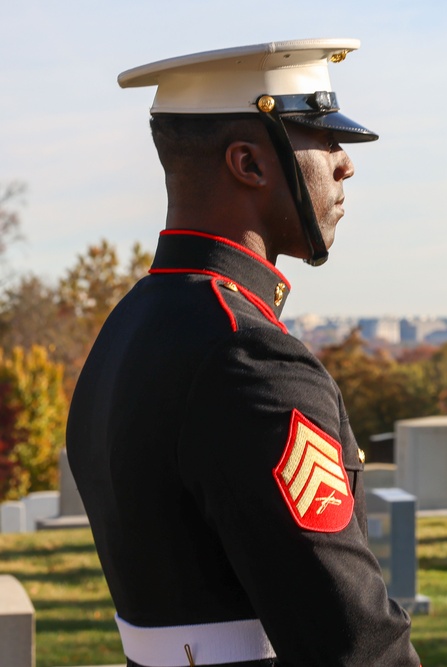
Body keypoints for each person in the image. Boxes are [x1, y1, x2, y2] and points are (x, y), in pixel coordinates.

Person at [66, 39, 421, 666]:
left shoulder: (130, 325)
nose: (345, 165)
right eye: (323, 138)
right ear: (249, 164)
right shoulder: (247, 358)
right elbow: (356, 646)